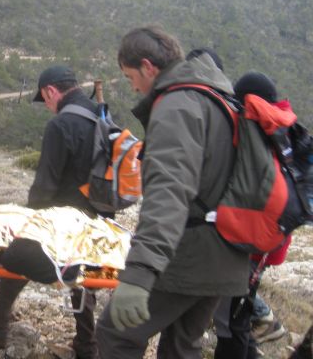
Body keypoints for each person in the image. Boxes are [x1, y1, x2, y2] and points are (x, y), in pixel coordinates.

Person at [96, 25, 249, 359]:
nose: (133, 86)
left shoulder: (177, 105)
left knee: (116, 332)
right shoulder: (217, 95)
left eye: (129, 76)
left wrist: (140, 273)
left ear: (148, 67)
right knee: (182, 347)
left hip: (192, 252)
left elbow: (169, 193)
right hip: (227, 252)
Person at [0, 65, 106, 359]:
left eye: (46, 101)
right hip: (98, 222)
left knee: (18, 253)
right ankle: (86, 344)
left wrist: (27, 222)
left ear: (50, 91)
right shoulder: (100, 114)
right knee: (82, 277)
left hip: (64, 222)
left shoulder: (62, 124)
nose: (48, 109)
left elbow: (44, 184)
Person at [213, 72, 290, 359]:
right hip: (271, 242)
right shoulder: (280, 129)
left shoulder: (251, 131)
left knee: (230, 324)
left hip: (246, 244)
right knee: (239, 318)